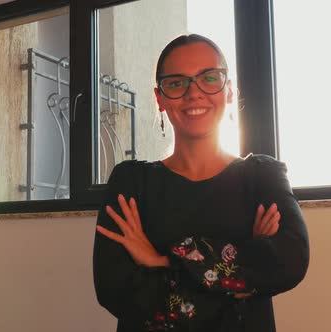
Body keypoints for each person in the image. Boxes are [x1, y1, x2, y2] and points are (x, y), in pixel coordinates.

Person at [93, 34, 309, 332]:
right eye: (177, 82)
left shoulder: (263, 175)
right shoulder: (131, 181)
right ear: (160, 98)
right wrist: (245, 266)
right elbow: (114, 290)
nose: (194, 93)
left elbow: (290, 261)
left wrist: (164, 261)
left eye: (209, 78)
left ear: (230, 91)